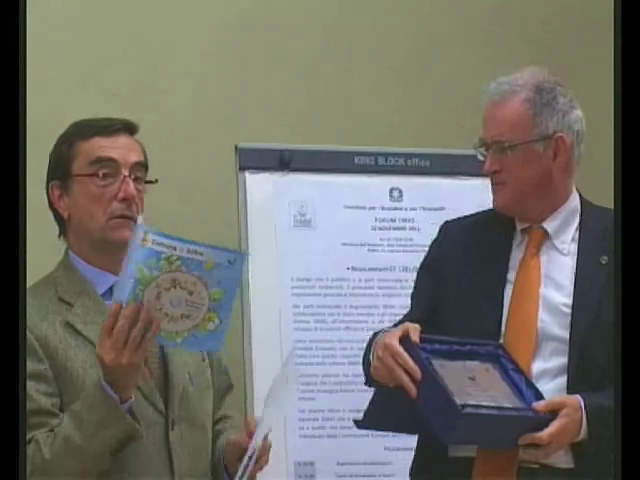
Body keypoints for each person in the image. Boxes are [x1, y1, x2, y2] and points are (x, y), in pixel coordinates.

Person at [362, 67, 614, 480]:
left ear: (556, 151)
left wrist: (587, 416)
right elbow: (411, 336)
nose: (488, 167)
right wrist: (381, 349)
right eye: (486, 149)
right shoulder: (458, 243)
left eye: (503, 149)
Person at [26, 117, 270, 479]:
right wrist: (112, 394)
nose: (129, 193)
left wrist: (228, 456)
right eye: (105, 175)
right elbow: (35, 466)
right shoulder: (33, 322)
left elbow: (219, 409)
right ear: (60, 197)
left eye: (138, 177)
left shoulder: (184, 293)